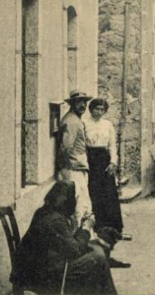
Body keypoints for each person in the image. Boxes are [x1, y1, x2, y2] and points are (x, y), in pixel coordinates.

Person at [12, 181, 118, 295]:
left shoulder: (45, 211)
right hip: (40, 276)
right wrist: (86, 228)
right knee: (98, 257)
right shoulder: (54, 220)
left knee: (96, 252)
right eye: (74, 198)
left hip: (39, 269)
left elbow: (66, 242)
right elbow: (74, 250)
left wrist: (80, 227)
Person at [85, 99, 127, 244]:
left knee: (109, 193)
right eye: (96, 109)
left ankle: (115, 229)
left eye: (102, 109)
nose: (99, 112)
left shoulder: (107, 124)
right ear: (91, 109)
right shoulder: (84, 123)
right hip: (91, 159)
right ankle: (99, 228)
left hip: (104, 159)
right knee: (94, 192)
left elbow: (112, 146)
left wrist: (113, 162)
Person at [59, 90, 94, 226]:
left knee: (83, 204)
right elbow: (66, 146)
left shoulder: (76, 119)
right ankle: (78, 235)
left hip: (78, 167)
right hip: (73, 168)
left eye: (84, 102)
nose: (83, 105)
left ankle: (83, 233)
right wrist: (64, 166)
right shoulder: (72, 121)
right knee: (79, 206)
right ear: (72, 104)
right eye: (79, 102)